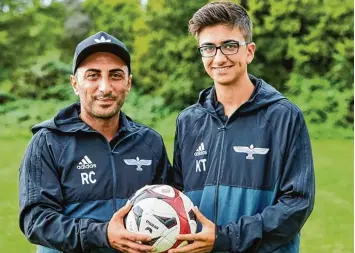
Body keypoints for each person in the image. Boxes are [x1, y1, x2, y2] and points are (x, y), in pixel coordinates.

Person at [170, 2, 315, 253]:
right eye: (208, 48)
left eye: (229, 46)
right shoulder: (188, 121)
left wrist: (225, 238)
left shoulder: (284, 116)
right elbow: (178, 199)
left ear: (249, 51)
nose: (219, 58)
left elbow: (297, 204)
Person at [19, 31, 171, 253]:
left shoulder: (150, 142)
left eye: (116, 75)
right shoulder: (48, 142)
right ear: (75, 83)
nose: (105, 88)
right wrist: (102, 234)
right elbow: (36, 221)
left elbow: (168, 209)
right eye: (93, 75)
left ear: (128, 83)